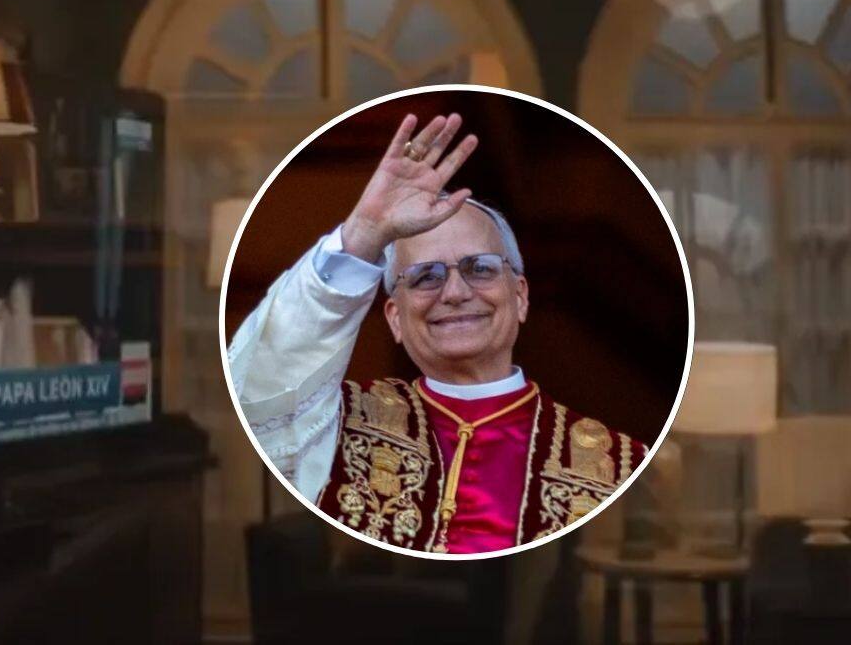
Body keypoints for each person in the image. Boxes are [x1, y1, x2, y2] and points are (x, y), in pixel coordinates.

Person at [229, 113, 648, 554]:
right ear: (394, 317)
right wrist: (365, 233)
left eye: (480, 269)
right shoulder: (332, 425)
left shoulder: (617, 464)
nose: (455, 292)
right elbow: (260, 382)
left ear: (520, 296)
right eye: (426, 276)